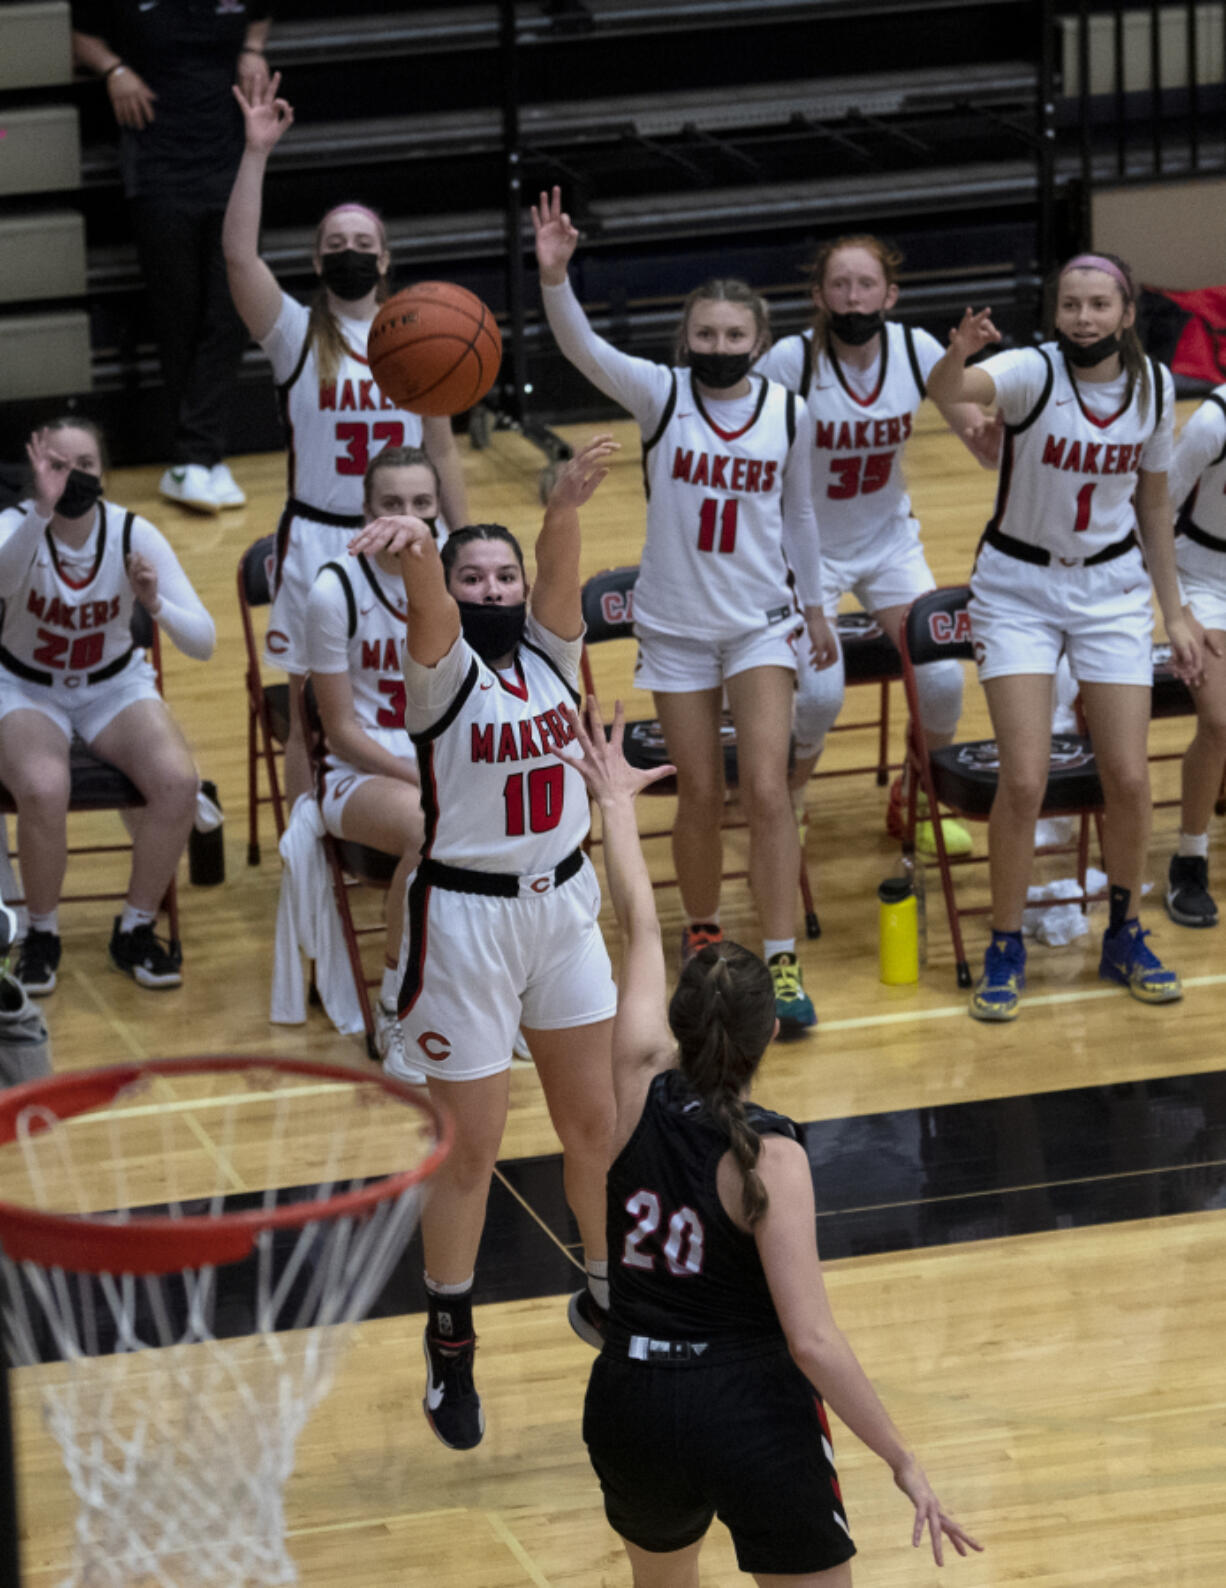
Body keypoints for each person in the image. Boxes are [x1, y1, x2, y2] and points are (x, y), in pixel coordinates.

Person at [564, 692, 983, 1588]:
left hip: (629, 1396)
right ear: (768, 1040)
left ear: (676, 1024)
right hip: (741, 1405)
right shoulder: (771, 1158)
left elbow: (637, 924)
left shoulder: (635, 1076)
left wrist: (614, 809)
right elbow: (812, 1344)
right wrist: (900, 1457)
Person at [347, 437, 621, 1452]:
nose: (495, 586)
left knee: (595, 1128)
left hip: (562, 908)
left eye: (501, 573)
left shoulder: (552, 653)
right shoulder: (441, 670)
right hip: (462, 921)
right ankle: (451, 1339)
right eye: (477, 575)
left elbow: (559, 576)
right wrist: (420, 551)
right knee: (469, 1154)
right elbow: (427, 604)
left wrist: (561, 505)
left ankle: (606, 1295)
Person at [533, 187, 836, 1035]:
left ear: (760, 345)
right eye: (705, 334)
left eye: (734, 336)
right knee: (698, 792)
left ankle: (779, 958)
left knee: (768, 790)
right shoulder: (661, 396)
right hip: (673, 626)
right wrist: (555, 277)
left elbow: (802, 515)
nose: (719, 346)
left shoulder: (788, 410)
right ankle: (703, 940)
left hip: (758, 623)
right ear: (686, 341)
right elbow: (583, 347)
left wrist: (813, 607)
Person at [926, 252, 1204, 1021]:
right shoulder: (1029, 372)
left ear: (1125, 313)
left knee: (1130, 777)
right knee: (1023, 778)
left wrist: (1173, 609)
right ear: (1056, 314)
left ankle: (1123, 929)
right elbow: (946, 392)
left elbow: (1154, 505)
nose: (1084, 317)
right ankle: (1005, 943)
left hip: (1110, 588)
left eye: (1099, 305)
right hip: (1017, 588)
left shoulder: (1150, 389)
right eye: (1072, 305)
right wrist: (958, 355)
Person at [223, 73, 469, 806]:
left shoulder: (422, 338)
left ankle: (410, 824)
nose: (351, 251)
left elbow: (445, 450)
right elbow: (238, 258)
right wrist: (256, 153)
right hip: (321, 539)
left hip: (408, 535)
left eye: (364, 242)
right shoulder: (295, 332)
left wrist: (466, 537)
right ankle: (311, 854)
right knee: (309, 714)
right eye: (337, 243)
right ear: (318, 260)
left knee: (420, 685)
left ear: (385, 260)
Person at [756, 234, 999, 856]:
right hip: (801, 548)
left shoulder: (916, 350)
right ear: (818, 295)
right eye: (840, 284)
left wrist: (997, 437)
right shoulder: (790, 361)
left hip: (888, 541)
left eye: (866, 284)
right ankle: (791, 797)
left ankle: (915, 797)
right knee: (819, 692)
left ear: (889, 294)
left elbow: (977, 437)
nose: (853, 296)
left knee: (944, 678)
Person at [0, 421, 215, 994]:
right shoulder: (15, 527)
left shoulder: (132, 533)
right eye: (58, 466)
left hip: (112, 686)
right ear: (37, 471)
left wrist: (155, 603)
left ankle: (136, 927)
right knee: (45, 788)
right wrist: (41, 513)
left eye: (85, 465)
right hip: (25, 687)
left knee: (178, 783)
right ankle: (41, 934)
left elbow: (204, 641)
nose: (73, 477)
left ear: (105, 472)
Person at [70, 0, 271, 513]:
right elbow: (77, 32)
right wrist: (112, 69)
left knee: (230, 310)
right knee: (178, 313)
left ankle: (195, 458)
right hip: (158, 167)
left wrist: (251, 48)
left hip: (227, 161)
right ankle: (200, 458)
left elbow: (262, 13)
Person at [305, 447, 437, 1071]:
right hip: (360, 774)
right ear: (365, 513)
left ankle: (499, 993)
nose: (406, 518)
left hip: (440, 764)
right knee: (430, 826)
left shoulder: (454, 574)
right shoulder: (336, 589)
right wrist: (430, 777)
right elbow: (339, 732)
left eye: (421, 504)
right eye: (391, 505)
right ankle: (396, 1005)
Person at [1164, 383, 1226, 926]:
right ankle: (1190, 857)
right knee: (1220, 719)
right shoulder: (1213, 420)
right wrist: (1181, 610)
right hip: (1203, 579)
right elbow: (1151, 515)